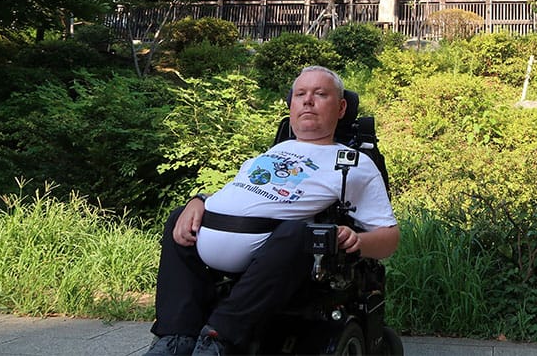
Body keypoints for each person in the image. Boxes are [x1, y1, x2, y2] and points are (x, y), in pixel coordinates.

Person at [145, 66, 399, 356]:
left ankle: (219, 338)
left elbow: (389, 238)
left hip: (281, 249)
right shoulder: (272, 152)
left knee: (300, 232)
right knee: (179, 216)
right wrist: (198, 201)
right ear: (291, 107)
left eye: (320, 94)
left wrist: (359, 241)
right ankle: (176, 337)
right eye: (300, 94)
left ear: (341, 107)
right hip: (220, 236)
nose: (307, 100)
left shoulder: (355, 163)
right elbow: (239, 194)